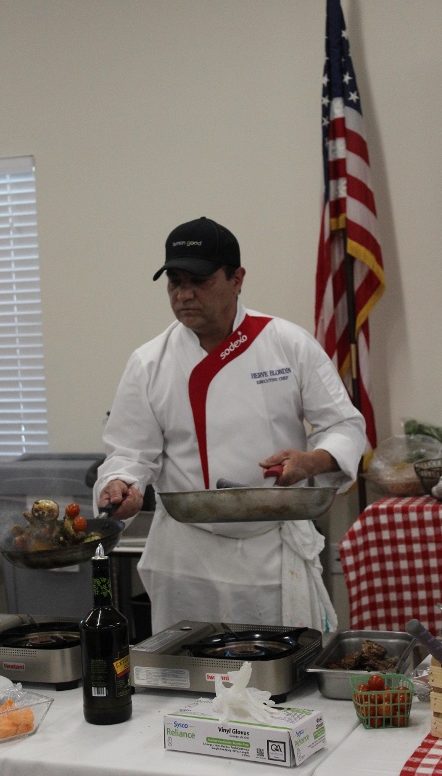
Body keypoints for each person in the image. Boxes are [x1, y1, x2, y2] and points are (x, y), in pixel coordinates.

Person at [94, 216, 366, 634]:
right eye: (174, 282)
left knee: (276, 681)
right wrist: (122, 485)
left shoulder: (286, 343)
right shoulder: (149, 362)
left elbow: (346, 426)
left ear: (237, 279)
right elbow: (130, 454)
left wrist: (310, 461)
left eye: (198, 282)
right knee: (188, 686)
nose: (184, 295)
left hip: (269, 552)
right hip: (185, 556)